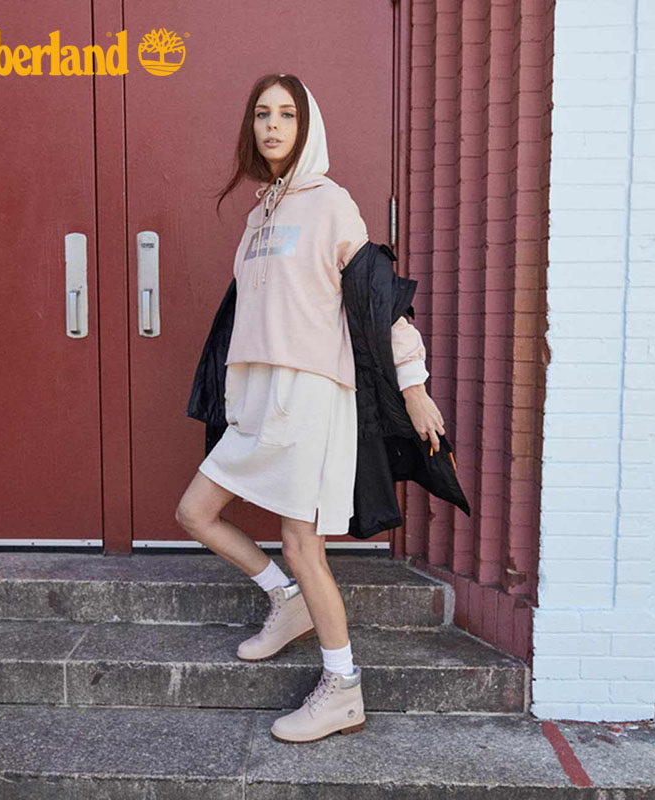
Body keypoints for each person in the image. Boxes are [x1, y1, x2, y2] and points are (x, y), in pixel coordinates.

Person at [175, 74, 446, 744]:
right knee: (195, 513)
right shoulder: (257, 217)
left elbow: (378, 300)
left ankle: (343, 689)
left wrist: (413, 385)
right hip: (258, 401)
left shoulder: (330, 204)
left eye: (287, 114)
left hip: (311, 398)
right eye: (262, 113)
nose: (272, 125)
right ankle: (285, 599)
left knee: (304, 544)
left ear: (307, 127)